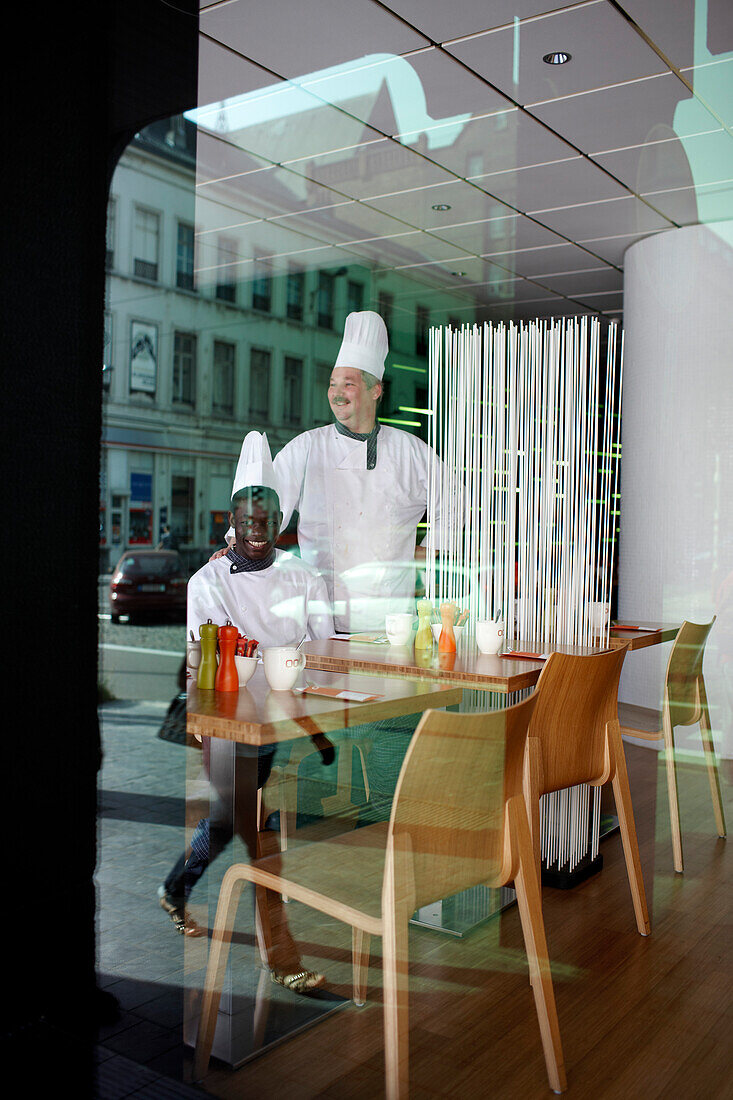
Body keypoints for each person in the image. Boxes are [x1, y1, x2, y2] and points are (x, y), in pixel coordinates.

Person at [159, 431, 334, 994]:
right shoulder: (206, 581)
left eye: (268, 516)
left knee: (232, 820)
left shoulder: (304, 576)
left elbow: (326, 650)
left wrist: (274, 654)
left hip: (281, 718)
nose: (257, 526)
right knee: (260, 829)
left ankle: (175, 888)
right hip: (227, 722)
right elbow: (215, 662)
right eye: (246, 515)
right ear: (232, 517)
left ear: (280, 518)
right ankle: (282, 958)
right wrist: (276, 653)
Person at [220, 311, 451, 633]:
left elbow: (455, 506)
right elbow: (266, 505)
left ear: (375, 391)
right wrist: (235, 545)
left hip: (391, 622)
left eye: (348, 384)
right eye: (332, 384)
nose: (336, 393)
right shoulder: (307, 447)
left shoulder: (411, 452)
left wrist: (427, 549)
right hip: (321, 615)